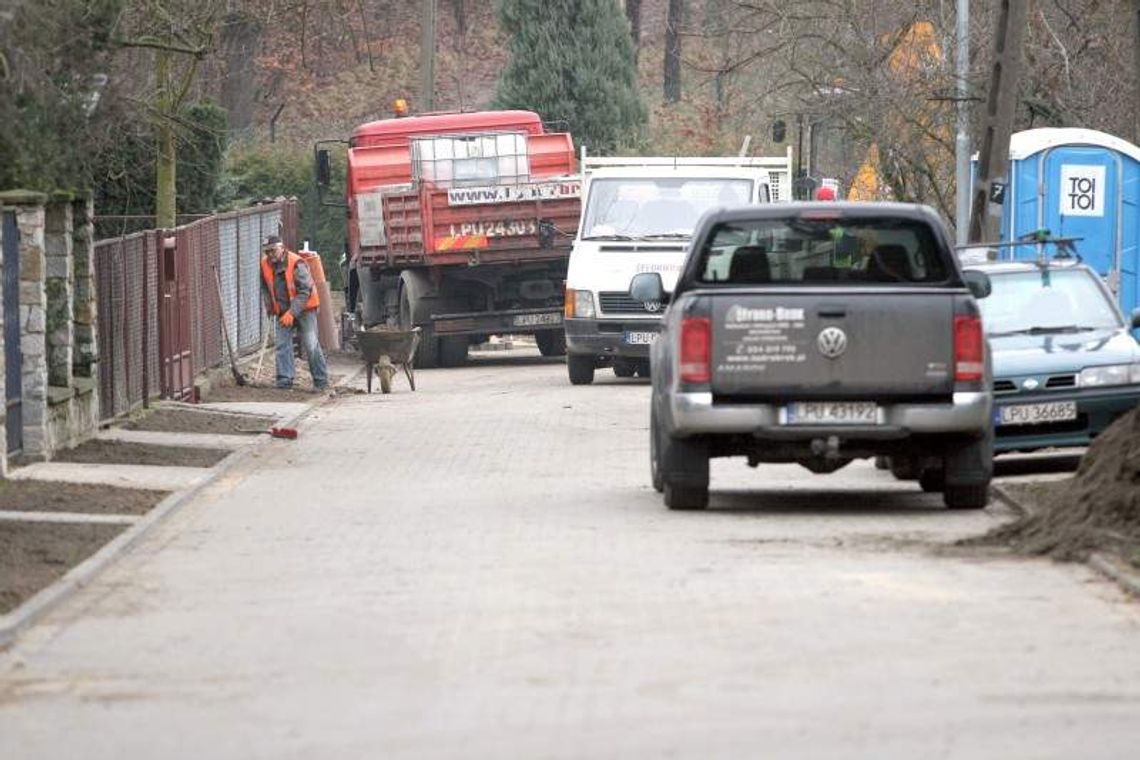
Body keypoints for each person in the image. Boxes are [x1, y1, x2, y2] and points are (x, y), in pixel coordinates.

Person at [259, 235, 329, 390]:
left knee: (311, 345)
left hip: (305, 310)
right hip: (282, 312)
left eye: (273, 251)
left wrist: (292, 312)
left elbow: (305, 291)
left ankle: (321, 381)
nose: (270, 255)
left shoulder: (296, 263)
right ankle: (284, 381)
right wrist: (270, 306)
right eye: (267, 252)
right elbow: (265, 287)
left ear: (282, 248)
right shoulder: (265, 265)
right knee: (282, 345)